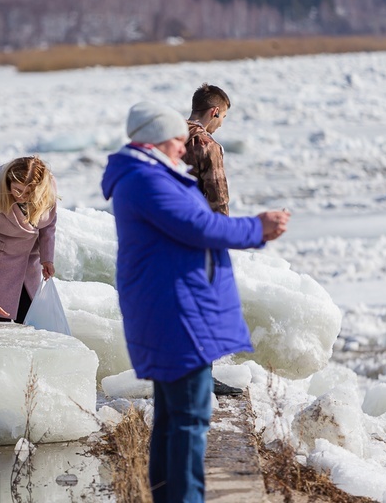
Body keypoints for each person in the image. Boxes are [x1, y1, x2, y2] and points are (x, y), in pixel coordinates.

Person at [101, 101, 289, 502]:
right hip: (176, 313)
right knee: (188, 417)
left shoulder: (146, 174)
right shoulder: (147, 179)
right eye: (175, 140)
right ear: (153, 139)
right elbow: (197, 225)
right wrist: (258, 227)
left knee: (174, 418)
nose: (183, 148)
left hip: (173, 308)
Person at [0, 156, 57, 324]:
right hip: (1, 263)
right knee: (0, 322)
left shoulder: (48, 189)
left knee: (29, 322)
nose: (21, 196)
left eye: (28, 193)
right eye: (17, 190)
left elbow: (49, 224)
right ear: (9, 182)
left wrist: (47, 258)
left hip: (30, 262)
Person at [183, 83, 232, 215]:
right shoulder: (207, 145)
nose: (221, 124)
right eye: (223, 116)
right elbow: (217, 198)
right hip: (192, 223)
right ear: (215, 112)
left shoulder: (168, 137)